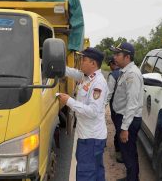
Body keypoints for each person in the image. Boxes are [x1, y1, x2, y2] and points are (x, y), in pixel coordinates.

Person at [58, 47, 108, 181]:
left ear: (93, 63)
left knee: (86, 174)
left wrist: (69, 101)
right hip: (90, 136)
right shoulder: (88, 77)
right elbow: (72, 72)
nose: (80, 62)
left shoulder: (98, 83)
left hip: (91, 138)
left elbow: (92, 111)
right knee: (96, 172)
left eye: (83, 59)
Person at [110, 42, 144, 181]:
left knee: (128, 153)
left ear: (127, 57)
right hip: (124, 118)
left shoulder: (132, 74)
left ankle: (132, 179)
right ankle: (131, 177)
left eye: (118, 54)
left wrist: (124, 128)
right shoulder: (126, 72)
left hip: (127, 120)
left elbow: (132, 104)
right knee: (128, 152)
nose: (114, 57)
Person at [106, 56, 123, 163]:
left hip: (116, 107)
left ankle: (118, 150)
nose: (111, 68)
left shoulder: (113, 75)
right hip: (125, 107)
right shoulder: (126, 72)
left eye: (110, 65)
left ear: (113, 64)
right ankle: (119, 148)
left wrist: (102, 106)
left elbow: (108, 93)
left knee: (118, 128)